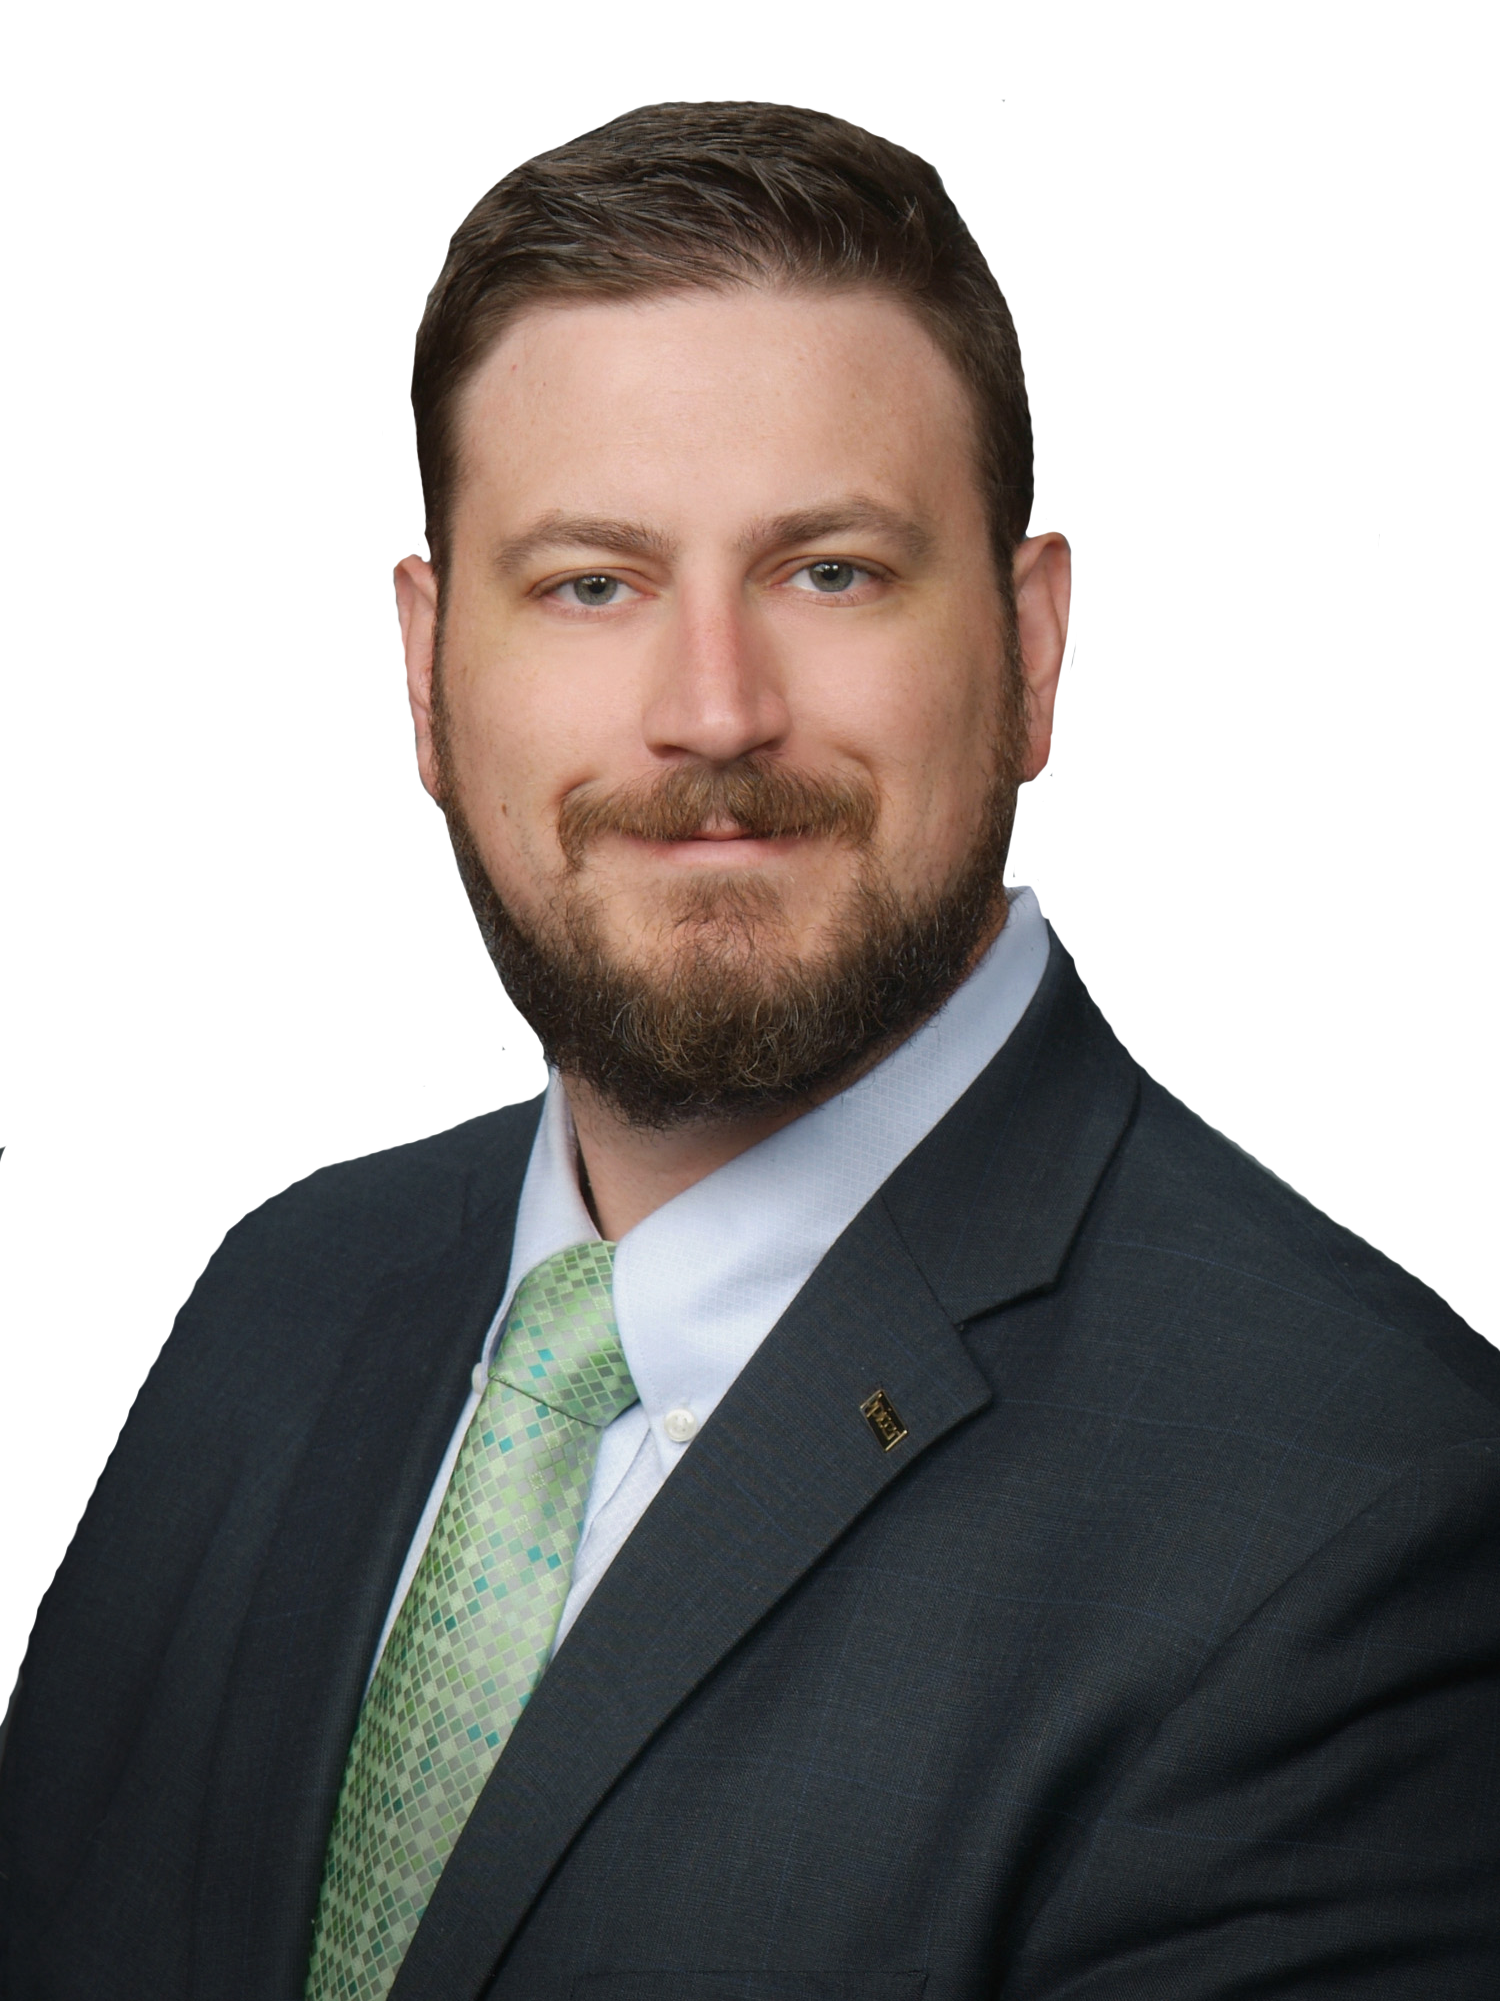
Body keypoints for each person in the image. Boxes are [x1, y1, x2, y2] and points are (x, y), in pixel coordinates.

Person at [1, 99, 1495, 2001]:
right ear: (425, 672)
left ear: (1036, 651)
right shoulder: (264, 1315)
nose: (714, 712)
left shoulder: (1359, 1511)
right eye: (592, 583)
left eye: (831, 571)